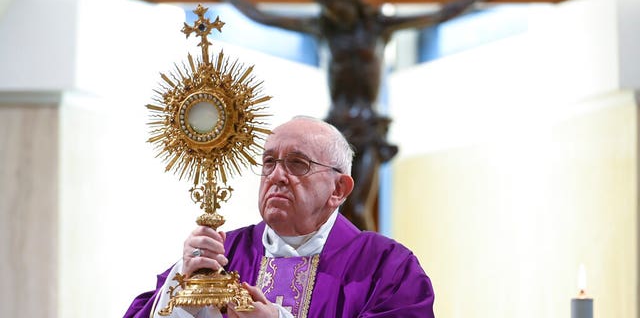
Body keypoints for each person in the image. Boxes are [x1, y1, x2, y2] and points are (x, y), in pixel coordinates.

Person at [124, 116, 435, 318]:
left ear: (339, 189)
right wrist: (182, 298)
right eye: (269, 162)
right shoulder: (220, 254)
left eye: (298, 164)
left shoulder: (387, 267)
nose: (277, 176)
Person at [220, 0, 486, 232]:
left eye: (336, 4)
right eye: (327, 6)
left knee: (358, 206)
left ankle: (369, 269)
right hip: (337, 129)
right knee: (328, 208)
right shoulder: (324, 29)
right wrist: (233, 0)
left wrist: (471, 0)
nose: (333, 10)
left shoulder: (377, 27)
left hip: (369, 129)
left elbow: (436, 15)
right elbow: (266, 18)